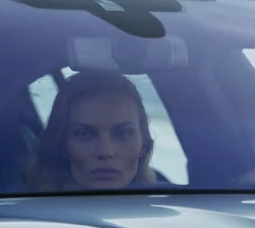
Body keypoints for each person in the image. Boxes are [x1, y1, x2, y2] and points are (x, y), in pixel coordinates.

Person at [32, 66, 163, 193]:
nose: (105, 151)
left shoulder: (172, 201)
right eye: (84, 134)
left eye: (123, 134)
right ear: (62, 146)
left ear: (143, 146)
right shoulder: (22, 209)